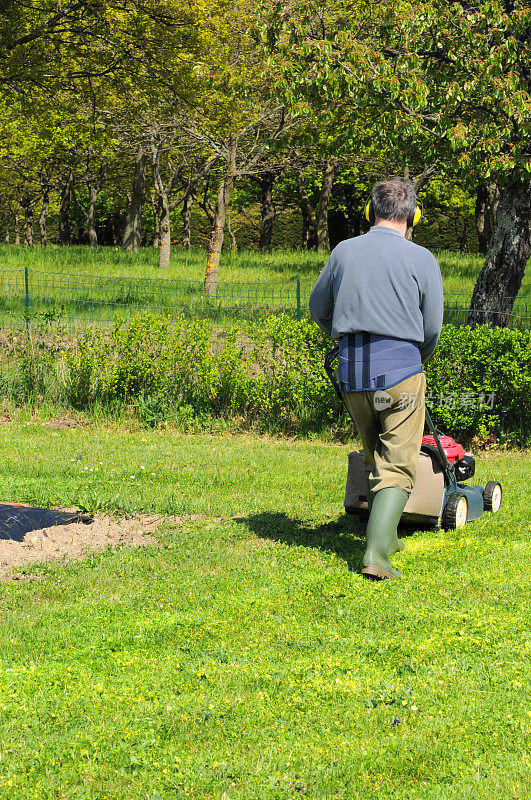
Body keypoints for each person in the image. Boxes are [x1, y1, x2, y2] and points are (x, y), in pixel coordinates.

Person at [309, 177, 444, 580]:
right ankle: (376, 556)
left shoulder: (343, 251)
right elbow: (432, 327)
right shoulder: (423, 259)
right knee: (398, 464)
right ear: (413, 216)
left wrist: (346, 335)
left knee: (374, 455)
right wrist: (415, 359)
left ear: (371, 211)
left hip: (351, 373)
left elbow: (319, 309)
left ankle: (387, 537)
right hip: (401, 371)